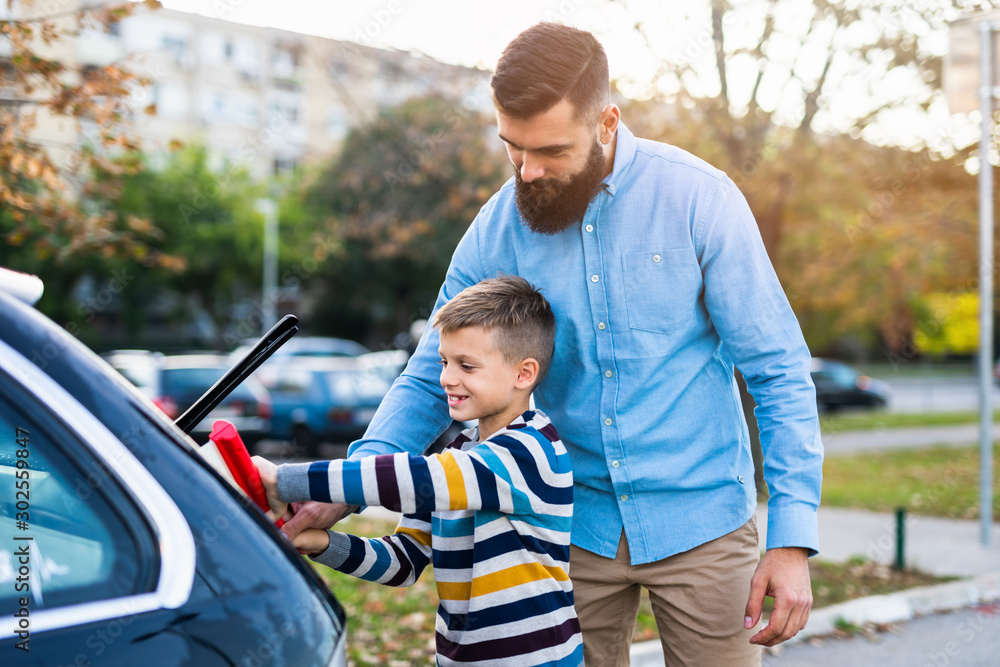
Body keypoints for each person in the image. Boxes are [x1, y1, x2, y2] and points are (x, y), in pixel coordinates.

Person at [281, 22, 823, 666]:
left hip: (703, 519)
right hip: (564, 533)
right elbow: (431, 375)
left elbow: (778, 370)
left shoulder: (699, 201)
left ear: (607, 121)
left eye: (551, 152)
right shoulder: (495, 228)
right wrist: (348, 486)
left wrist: (791, 540)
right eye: (513, 148)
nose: (528, 172)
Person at [256, 276, 584, 667]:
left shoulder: (530, 450)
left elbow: (414, 479)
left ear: (523, 374)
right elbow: (404, 562)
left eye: (467, 365)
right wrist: (321, 544)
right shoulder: (460, 448)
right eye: (444, 361)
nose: (446, 378)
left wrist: (284, 480)